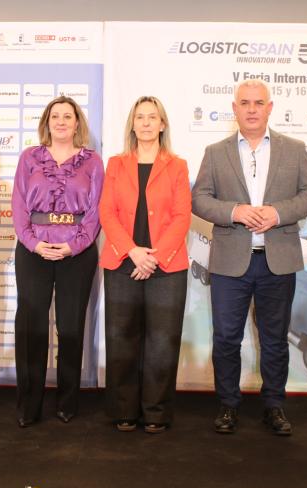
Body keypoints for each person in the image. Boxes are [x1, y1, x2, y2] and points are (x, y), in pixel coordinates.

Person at [192, 79, 307, 436]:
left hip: (277, 260)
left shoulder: (293, 149)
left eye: (258, 103)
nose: (252, 109)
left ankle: (274, 405)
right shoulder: (215, 152)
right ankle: (228, 404)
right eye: (245, 103)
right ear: (235, 109)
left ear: (270, 107)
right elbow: (199, 199)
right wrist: (234, 211)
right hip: (230, 262)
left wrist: (277, 213)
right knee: (226, 338)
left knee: (275, 340)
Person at [99, 96, 191, 433]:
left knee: (162, 341)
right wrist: (132, 251)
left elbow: (182, 216)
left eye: (153, 117)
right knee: (121, 337)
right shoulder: (116, 164)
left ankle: (156, 412)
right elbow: (107, 212)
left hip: (166, 266)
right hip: (122, 262)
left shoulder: (177, 165)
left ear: (162, 124)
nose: (147, 123)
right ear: (133, 125)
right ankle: (123, 409)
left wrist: (154, 257)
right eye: (140, 117)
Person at [12, 96, 104, 428]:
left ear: (77, 123)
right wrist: (34, 243)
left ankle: (67, 402)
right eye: (55, 116)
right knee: (31, 327)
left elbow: (96, 211)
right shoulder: (29, 157)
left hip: (76, 254)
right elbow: (19, 206)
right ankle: (29, 405)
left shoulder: (93, 162)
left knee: (71, 327)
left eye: (68, 116)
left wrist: (72, 246)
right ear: (47, 122)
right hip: (33, 250)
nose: (61, 121)